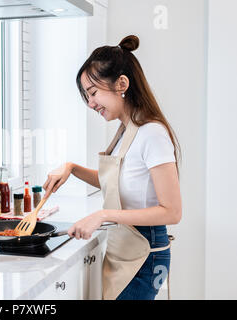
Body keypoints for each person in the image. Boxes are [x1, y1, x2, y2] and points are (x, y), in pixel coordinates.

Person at [43, 35, 182, 300]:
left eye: (93, 93)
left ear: (121, 84)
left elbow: (172, 212)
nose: (90, 103)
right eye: (86, 96)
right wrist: (71, 168)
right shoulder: (125, 131)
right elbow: (117, 182)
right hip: (127, 248)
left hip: (146, 254)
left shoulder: (152, 133)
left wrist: (104, 214)